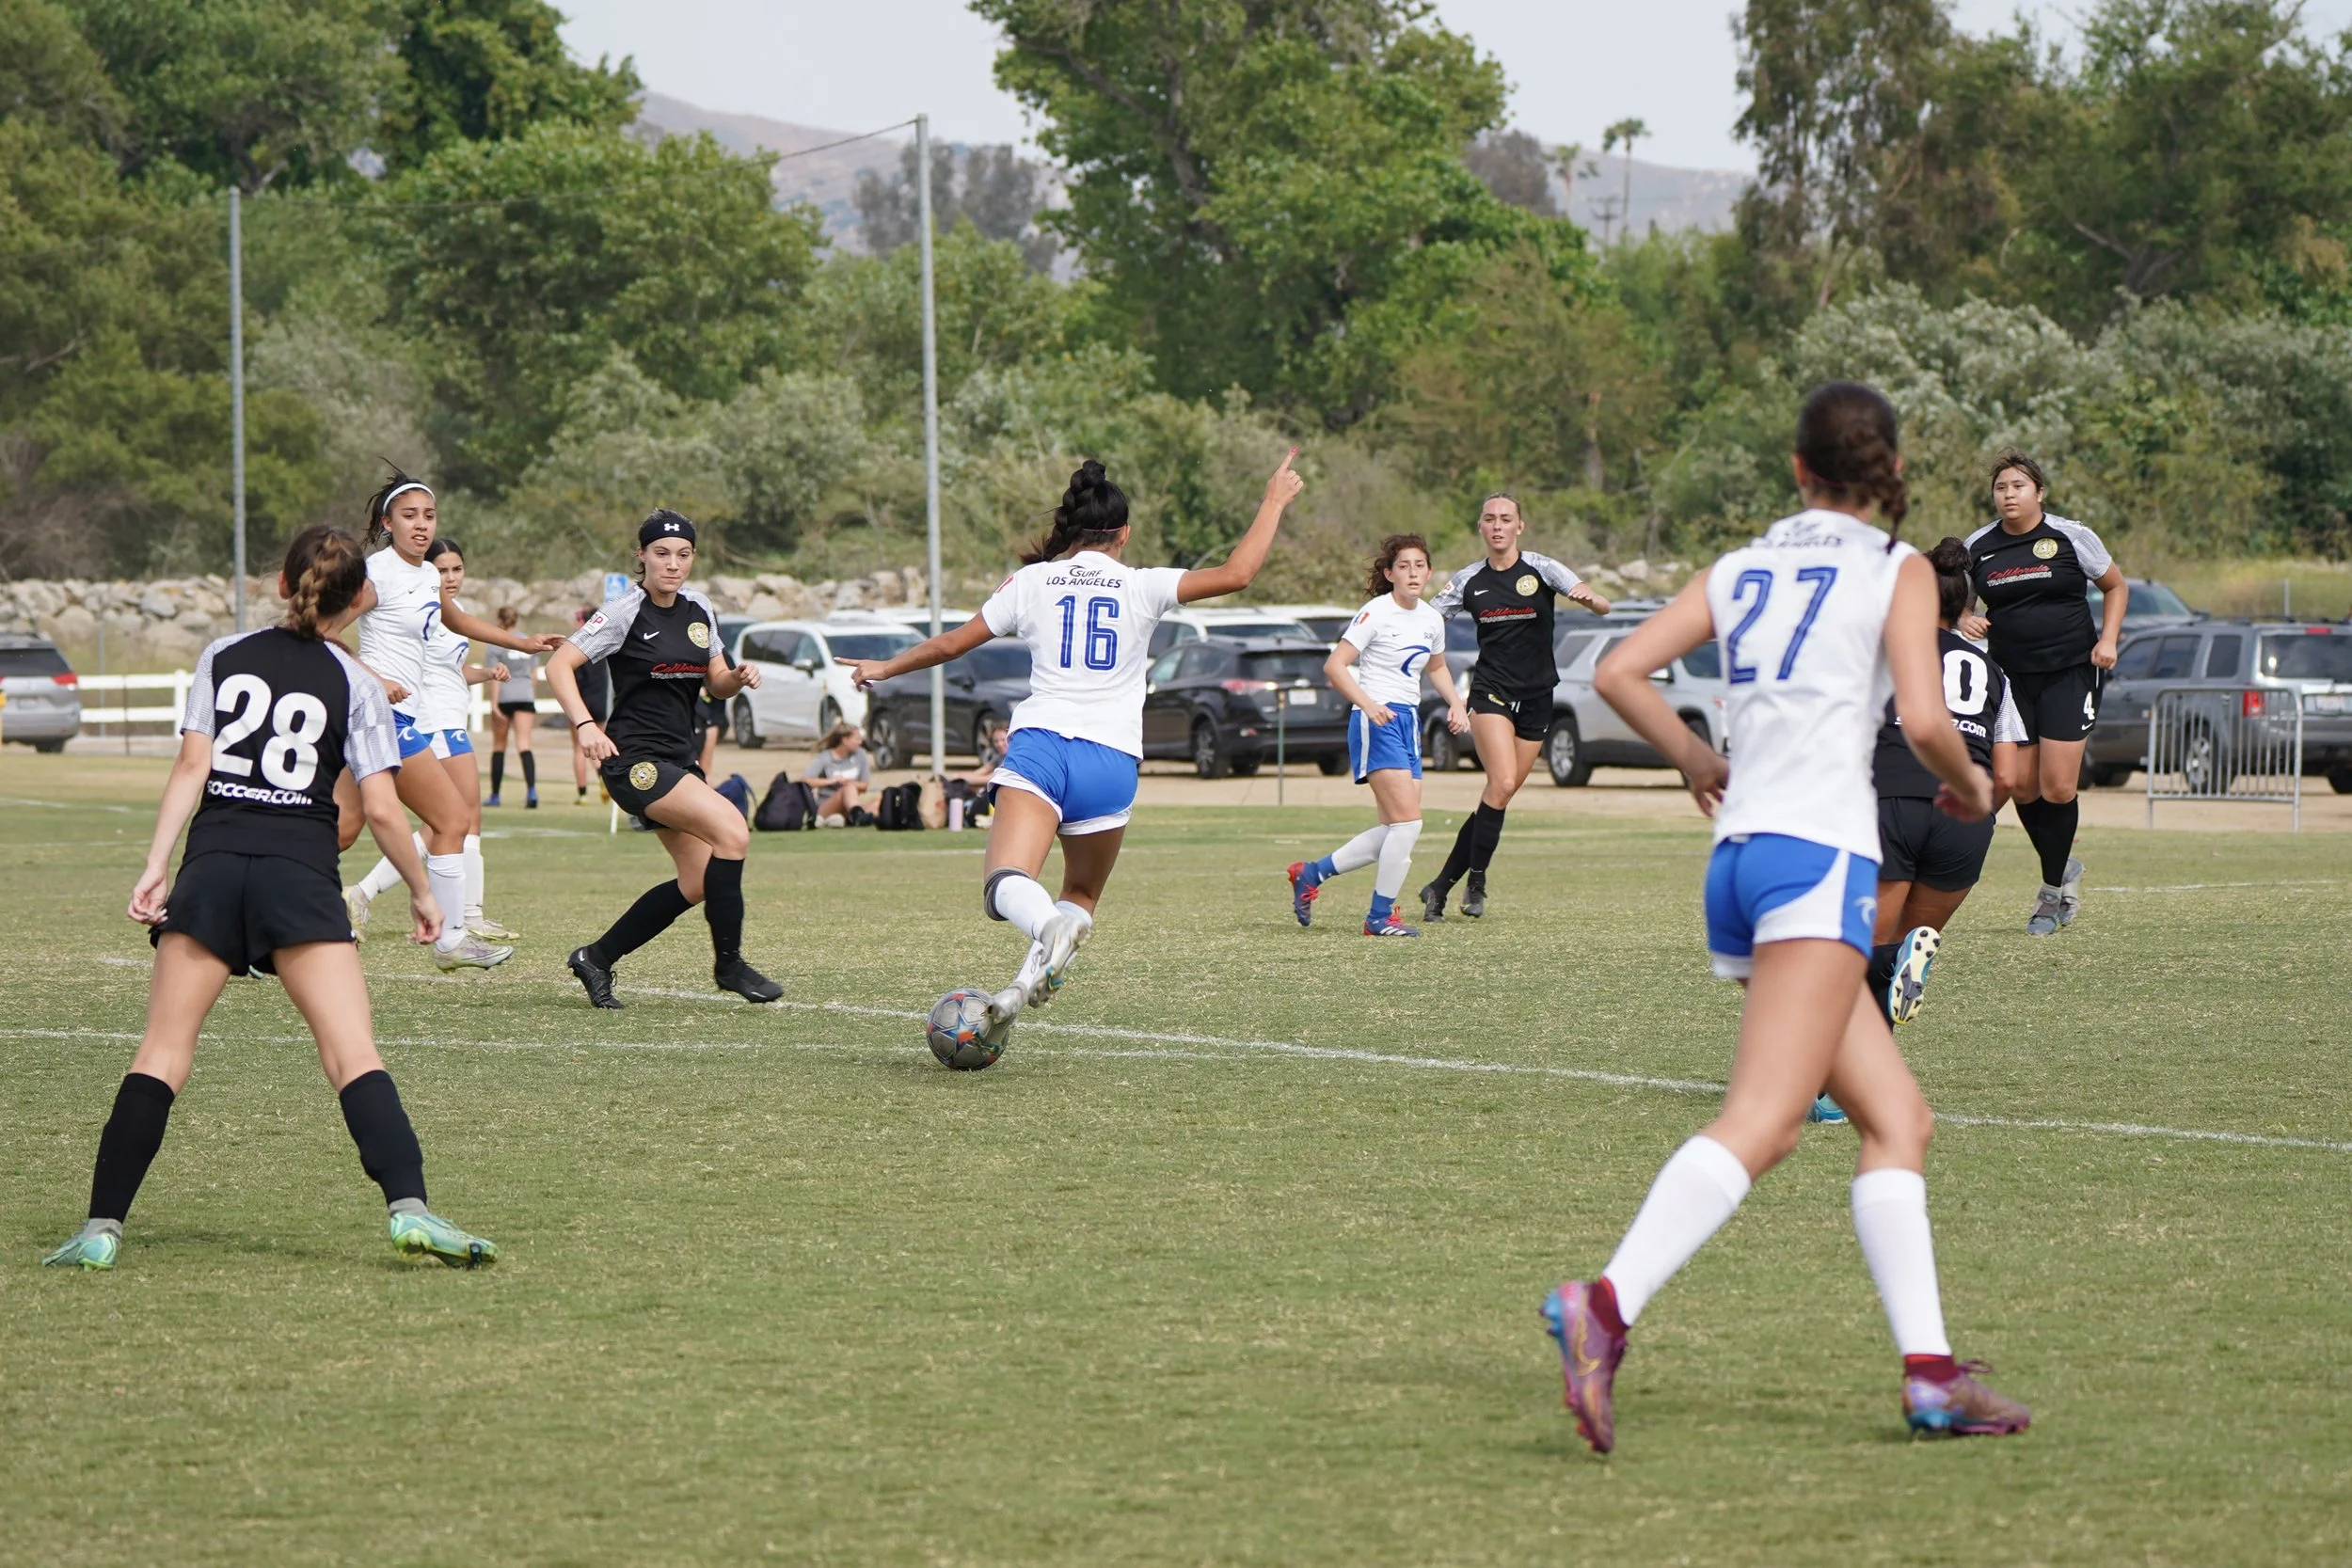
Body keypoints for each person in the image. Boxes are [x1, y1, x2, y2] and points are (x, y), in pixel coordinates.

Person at [1540, 382, 2027, 1452]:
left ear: (1798, 469)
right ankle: (1603, 1305)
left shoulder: (1742, 565)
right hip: (1816, 858)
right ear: (1890, 471)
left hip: (1743, 857)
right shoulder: (1896, 567)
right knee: (1763, 1122)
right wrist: (1973, 785)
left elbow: (1618, 669)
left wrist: (1694, 757)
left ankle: (1931, 1374)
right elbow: (1924, 718)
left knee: (1896, 1118)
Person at [42, 526, 499, 1271]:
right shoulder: (355, 683)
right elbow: (385, 812)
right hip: (300, 875)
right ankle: (410, 1208)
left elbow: (191, 769)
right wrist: (422, 892)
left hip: (213, 867)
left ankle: (100, 1225)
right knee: (351, 1053)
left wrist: (156, 863)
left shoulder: (223, 655)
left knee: (161, 1052)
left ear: (283, 584)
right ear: (359, 599)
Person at [845, 451, 1305, 1046]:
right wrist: (1273, 500)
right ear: (1124, 534)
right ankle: (1019, 990)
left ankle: (1046, 927)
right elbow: (1238, 573)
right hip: (1110, 759)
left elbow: (953, 644)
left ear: (1072, 528)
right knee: (1080, 895)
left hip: (1041, 748)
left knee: (1005, 882)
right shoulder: (1143, 585)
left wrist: (885, 667)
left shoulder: (1032, 581)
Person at [549, 510, 779, 1009]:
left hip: (679, 759)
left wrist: (737, 678)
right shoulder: (623, 612)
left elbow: (716, 683)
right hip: (633, 760)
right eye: (661, 553)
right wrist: (585, 725)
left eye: (683, 554)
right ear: (642, 555)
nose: (672, 564)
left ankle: (595, 957)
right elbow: (558, 664)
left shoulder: (700, 609)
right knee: (733, 831)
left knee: (698, 881)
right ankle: (729, 965)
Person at [339, 473, 557, 970]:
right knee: (453, 819)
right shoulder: (376, 573)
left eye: (429, 516)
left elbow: (455, 620)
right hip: (380, 717)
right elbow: (325, 631)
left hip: (395, 717)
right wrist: (374, 679)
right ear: (387, 523)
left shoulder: (424, 576)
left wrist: (521, 644)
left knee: (342, 831)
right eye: (409, 516)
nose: (421, 525)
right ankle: (452, 939)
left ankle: (255, 914)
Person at [1419, 494, 1612, 921]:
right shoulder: (1468, 580)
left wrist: (1591, 599)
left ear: (1519, 526)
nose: (1498, 526)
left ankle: (1440, 886)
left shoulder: (1543, 568)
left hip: (1538, 696)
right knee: (1502, 782)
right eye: (1490, 519)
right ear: (1481, 527)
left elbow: (1601, 604)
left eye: (1506, 519)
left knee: (1499, 795)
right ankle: (1476, 882)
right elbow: (1427, 622)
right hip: (1491, 692)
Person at [1961, 451, 2127, 935]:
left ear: (2039, 492)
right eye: (2001, 487)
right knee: (2022, 787)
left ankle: (2052, 894)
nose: (2008, 495)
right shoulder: (1978, 546)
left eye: (2018, 486)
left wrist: (2108, 640)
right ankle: (2062, 868)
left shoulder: (2071, 536)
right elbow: (1960, 606)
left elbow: (2116, 587)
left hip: (2069, 673)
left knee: (2057, 788)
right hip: (2011, 679)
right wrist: (1965, 618)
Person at [1866, 537, 2026, 1033]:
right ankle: (1904, 962)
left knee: (1864, 954)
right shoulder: (1994, 672)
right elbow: (2008, 776)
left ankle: (1837, 1073)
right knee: (1898, 956)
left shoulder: (1885, 655)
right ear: (1964, 609)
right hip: (1966, 818)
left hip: (1893, 799)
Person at [1288, 534, 1468, 936]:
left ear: (1429, 572)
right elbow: (1335, 666)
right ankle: (1379, 917)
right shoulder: (1376, 612)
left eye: (1419, 565)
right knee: (1408, 825)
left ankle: (1311, 874)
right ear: (1389, 574)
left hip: (1408, 721)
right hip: (1377, 720)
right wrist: (1369, 705)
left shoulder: (1431, 618)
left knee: (1395, 828)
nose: (1413, 573)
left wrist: (1455, 703)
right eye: (1404, 566)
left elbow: (1436, 667)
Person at [344, 537, 519, 943]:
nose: (450, 577)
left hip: (447, 718)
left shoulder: (452, 610)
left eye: (457, 569)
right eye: (443, 570)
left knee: (447, 820)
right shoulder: (417, 606)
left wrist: (487, 673)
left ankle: (375, 896)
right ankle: (463, 916)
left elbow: (450, 669)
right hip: (431, 721)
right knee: (457, 817)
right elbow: (408, 665)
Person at [486, 606, 539, 809]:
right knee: (524, 744)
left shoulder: (495, 642)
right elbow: (533, 676)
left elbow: (495, 676)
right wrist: (528, 694)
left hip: (505, 696)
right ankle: (532, 792)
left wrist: (494, 704)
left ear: (500, 620)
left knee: (499, 746)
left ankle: (495, 795)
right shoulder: (527, 640)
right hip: (525, 695)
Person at [567, 605, 611, 804]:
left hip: (582, 703)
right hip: (600, 702)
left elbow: (572, 678)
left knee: (579, 748)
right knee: (599, 746)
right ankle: (604, 780)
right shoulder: (604, 644)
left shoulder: (577, 645)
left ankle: (583, 793)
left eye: (578, 617)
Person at [803, 721, 871, 826]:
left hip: (850, 805)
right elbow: (805, 781)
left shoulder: (860, 754)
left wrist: (848, 782)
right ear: (845, 740)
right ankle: (856, 816)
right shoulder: (825, 757)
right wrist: (831, 781)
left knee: (879, 802)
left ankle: (854, 817)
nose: (860, 742)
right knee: (848, 789)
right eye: (857, 739)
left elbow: (864, 785)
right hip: (826, 805)